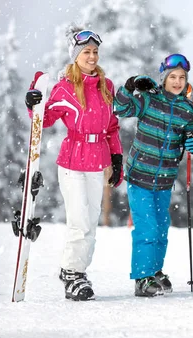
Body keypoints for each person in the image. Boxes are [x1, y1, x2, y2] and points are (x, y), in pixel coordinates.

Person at [24, 26, 123, 301]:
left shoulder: (107, 86)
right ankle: (72, 273)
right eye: (86, 52)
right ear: (75, 56)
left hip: (98, 159)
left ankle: (78, 271)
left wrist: (117, 157)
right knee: (79, 221)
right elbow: (44, 118)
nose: (92, 57)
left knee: (90, 223)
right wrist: (34, 102)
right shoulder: (65, 87)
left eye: (94, 51)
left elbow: (112, 127)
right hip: (72, 160)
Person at [114, 54, 193, 297]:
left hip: (165, 180)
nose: (177, 81)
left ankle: (155, 270)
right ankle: (142, 277)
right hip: (140, 176)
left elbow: (190, 134)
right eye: (172, 77)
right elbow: (119, 108)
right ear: (163, 78)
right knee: (147, 228)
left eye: (182, 77)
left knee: (162, 228)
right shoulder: (148, 100)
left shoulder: (188, 108)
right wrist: (130, 86)